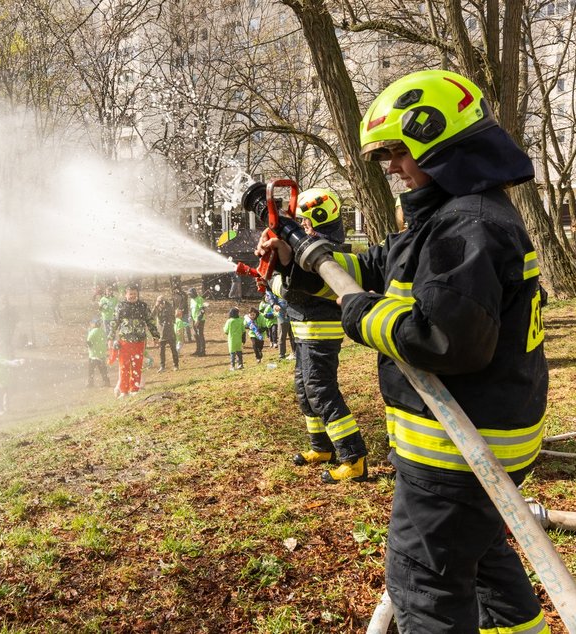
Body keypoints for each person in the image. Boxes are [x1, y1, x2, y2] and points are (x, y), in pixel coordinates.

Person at [264, 70, 549, 633]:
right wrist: (301, 258)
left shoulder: (465, 228)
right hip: (484, 450)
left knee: (425, 585)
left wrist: (358, 315)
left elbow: (444, 337)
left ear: (437, 138)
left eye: (396, 151)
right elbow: (375, 269)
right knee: (485, 561)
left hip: (456, 452)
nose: (391, 167)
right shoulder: (456, 217)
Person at [271, 186, 369, 484]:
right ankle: (321, 448)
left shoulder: (320, 253)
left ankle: (353, 458)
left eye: (303, 220)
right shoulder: (314, 246)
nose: (300, 226)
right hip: (304, 330)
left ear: (312, 221)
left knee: (321, 390)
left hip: (318, 332)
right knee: (305, 390)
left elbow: (295, 293)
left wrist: (272, 280)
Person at [107, 283, 159, 397]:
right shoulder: (120, 306)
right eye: (130, 294)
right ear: (126, 294)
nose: (133, 296)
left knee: (137, 366)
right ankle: (124, 391)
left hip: (139, 341)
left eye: (135, 294)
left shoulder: (143, 306)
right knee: (124, 367)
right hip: (124, 342)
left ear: (137, 294)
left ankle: (134, 389)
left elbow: (150, 322)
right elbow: (114, 322)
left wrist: (156, 336)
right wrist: (110, 337)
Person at [152, 295, 179, 372]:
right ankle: (162, 366)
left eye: (162, 301)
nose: (161, 303)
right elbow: (151, 316)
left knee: (173, 349)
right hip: (161, 333)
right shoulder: (157, 308)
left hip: (170, 332)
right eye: (159, 302)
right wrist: (156, 306)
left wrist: (164, 306)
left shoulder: (169, 308)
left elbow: (170, 316)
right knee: (161, 351)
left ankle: (176, 365)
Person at [86, 318, 111, 387]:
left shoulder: (92, 331)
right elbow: (105, 340)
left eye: (91, 323)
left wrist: (89, 347)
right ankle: (106, 382)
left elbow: (88, 341)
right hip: (102, 354)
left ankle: (90, 383)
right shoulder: (102, 331)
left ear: (94, 324)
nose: (90, 324)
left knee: (91, 370)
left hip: (93, 354)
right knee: (103, 370)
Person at [188, 288, 206, 356]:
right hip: (194, 320)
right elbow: (191, 310)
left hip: (200, 320)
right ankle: (198, 350)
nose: (189, 295)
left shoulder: (200, 299)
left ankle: (202, 351)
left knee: (200, 335)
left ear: (194, 293)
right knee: (196, 335)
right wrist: (190, 317)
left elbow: (202, 311)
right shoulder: (191, 300)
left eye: (190, 294)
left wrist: (198, 320)